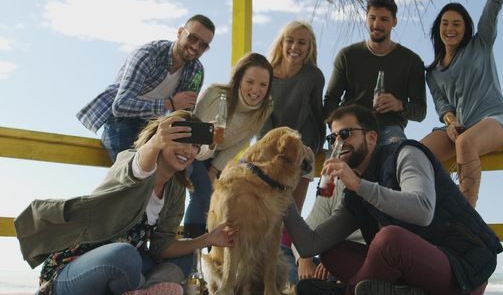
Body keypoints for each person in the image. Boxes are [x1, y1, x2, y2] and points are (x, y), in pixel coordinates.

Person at [284, 104, 503, 295]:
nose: (338, 144)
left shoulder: (405, 154)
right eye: (333, 138)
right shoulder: (355, 194)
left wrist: (359, 185)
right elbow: (309, 244)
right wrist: (281, 195)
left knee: (390, 239)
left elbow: (422, 210)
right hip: (414, 274)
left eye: (346, 134)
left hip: (463, 271)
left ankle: (349, 292)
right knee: (332, 252)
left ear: (371, 138)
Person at [14, 110, 239, 295]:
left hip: (126, 273)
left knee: (187, 251)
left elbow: (162, 248)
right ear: (161, 140)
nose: (189, 151)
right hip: (75, 270)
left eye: (195, 147)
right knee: (125, 256)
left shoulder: (176, 189)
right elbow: (137, 169)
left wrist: (208, 238)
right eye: (183, 141)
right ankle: (149, 287)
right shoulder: (131, 159)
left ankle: (148, 290)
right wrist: (153, 145)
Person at [421, 0, 503, 208]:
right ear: (438, 29)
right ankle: (432, 209)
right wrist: (451, 122)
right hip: (461, 127)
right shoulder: (432, 73)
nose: (450, 28)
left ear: (466, 28)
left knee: (465, 143)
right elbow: (444, 107)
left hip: (495, 120)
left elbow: (494, 2)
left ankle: (467, 220)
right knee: (416, 153)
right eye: (445, 23)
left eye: (457, 23)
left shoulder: (481, 45)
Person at [77, 14, 216, 162]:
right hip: (122, 121)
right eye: (192, 38)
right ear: (180, 32)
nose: (195, 47)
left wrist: (206, 134)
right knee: (131, 172)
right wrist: (170, 104)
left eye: (203, 45)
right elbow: (120, 106)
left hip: (157, 127)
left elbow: (183, 115)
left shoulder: (196, 70)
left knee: (173, 170)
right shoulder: (147, 55)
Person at [258, 20, 326, 284]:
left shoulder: (313, 76)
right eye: (290, 41)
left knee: (292, 214)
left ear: (309, 48)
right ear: (281, 42)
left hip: (305, 146)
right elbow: (264, 121)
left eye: (302, 43)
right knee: (271, 212)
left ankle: (288, 276)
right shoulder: (266, 73)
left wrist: (311, 150)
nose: (295, 47)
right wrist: (273, 153)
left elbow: (316, 115)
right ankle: (266, 268)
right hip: (272, 149)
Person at [182, 52, 273, 238]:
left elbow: (242, 141)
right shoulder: (216, 96)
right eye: (250, 82)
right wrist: (212, 144)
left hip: (219, 157)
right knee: (203, 193)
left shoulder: (266, 106)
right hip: (193, 149)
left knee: (227, 200)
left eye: (263, 84)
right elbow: (196, 146)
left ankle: (212, 253)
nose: (256, 90)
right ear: (239, 79)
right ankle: (190, 251)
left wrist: (215, 170)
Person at [322, 0, 426, 145]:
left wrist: (399, 105)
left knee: (399, 152)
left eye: (384, 19)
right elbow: (330, 100)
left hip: (390, 128)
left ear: (394, 21)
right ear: (366, 18)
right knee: (340, 164)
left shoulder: (412, 61)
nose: (376, 24)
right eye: (372, 18)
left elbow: (420, 111)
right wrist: (339, 127)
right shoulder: (347, 55)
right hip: (351, 127)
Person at [292, 176, 365, 282]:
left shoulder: (379, 185)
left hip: (360, 261)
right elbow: (307, 230)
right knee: (277, 256)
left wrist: (337, 262)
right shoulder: (333, 186)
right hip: (328, 262)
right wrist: (305, 262)